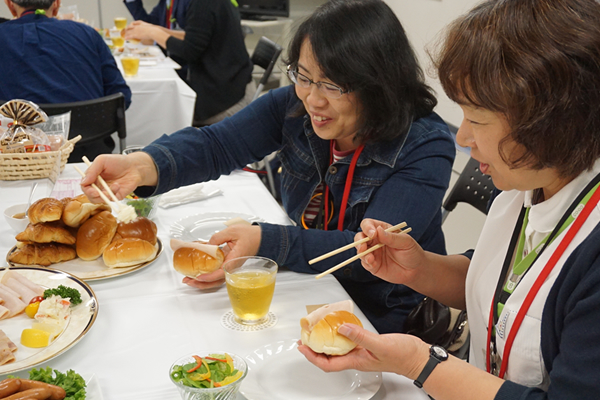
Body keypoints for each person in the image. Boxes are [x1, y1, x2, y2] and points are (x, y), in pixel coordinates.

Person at [81, 0, 455, 334]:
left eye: (332, 85)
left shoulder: (424, 145)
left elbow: (370, 252)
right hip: (310, 284)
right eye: (304, 77)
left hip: (383, 312)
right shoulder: (294, 107)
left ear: (378, 84)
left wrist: (265, 241)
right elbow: (218, 144)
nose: (311, 98)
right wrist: (142, 164)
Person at [298, 0, 600, 398]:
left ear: (550, 123)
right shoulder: (527, 191)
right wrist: (418, 269)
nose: (463, 138)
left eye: (475, 120)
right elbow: (508, 288)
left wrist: (419, 364)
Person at [0, 0, 132, 160]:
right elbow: (121, 96)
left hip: (13, 160)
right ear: (56, 5)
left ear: (10, 5)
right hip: (89, 157)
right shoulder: (88, 34)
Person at [123, 0, 253, 126]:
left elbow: (189, 51)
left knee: (156, 114)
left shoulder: (203, 3)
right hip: (230, 85)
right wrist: (153, 29)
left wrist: (153, 32)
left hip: (227, 98)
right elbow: (193, 37)